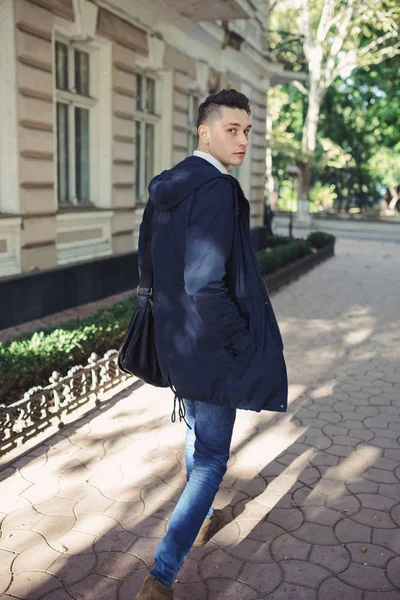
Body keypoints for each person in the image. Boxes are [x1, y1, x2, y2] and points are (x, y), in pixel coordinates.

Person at [135, 89, 288, 599]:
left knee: (199, 440)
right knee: (211, 462)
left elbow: (151, 266)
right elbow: (205, 283)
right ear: (205, 131)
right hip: (211, 347)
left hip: (177, 342)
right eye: (232, 129)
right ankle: (161, 576)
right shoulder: (217, 190)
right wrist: (242, 341)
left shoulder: (169, 186)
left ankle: (199, 518)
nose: (243, 139)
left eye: (248, 130)